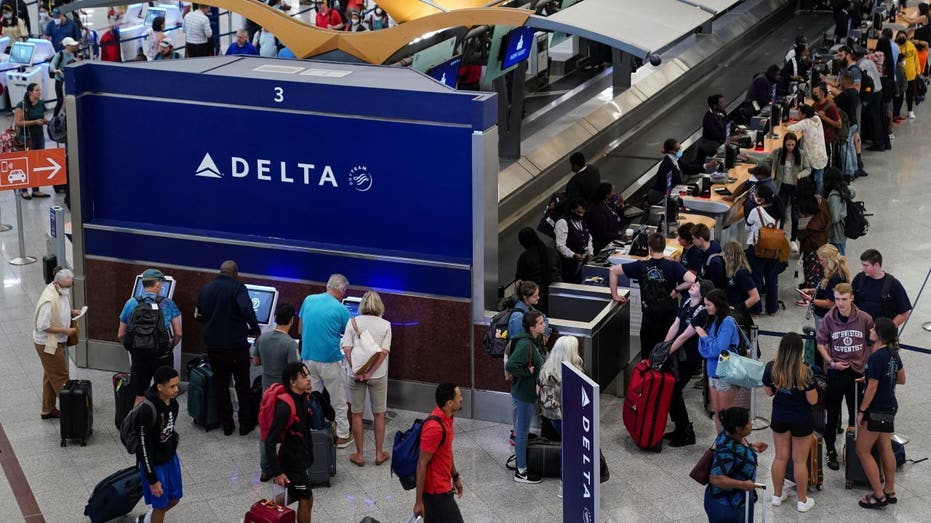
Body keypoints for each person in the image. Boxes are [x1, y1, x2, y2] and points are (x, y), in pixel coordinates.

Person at [195, 260, 261, 436]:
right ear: (235, 273)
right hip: (235, 345)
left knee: (221, 384)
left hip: (213, 345)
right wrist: (255, 329)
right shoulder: (238, 288)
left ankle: (227, 424)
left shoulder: (206, 288)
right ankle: (245, 424)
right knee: (242, 384)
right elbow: (246, 308)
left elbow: (199, 313)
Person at [609, 232, 697, 359]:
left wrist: (615, 295)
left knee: (647, 355)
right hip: (669, 319)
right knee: (667, 354)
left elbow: (613, 270)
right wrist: (677, 289)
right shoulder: (674, 266)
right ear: (664, 247)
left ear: (649, 249)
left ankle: (648, 377)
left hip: (649, 318)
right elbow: (694, 280)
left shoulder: (641, 266)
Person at [816, 282, 873, 471]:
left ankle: (853, 448)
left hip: (857, 373)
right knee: (832, 415)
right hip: (836, 372)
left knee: (856, 413)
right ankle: (830, 449)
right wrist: (831, 362)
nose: (840, 303)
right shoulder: (828, 319)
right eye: (837, 299)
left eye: (843, 299)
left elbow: (872, 340)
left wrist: (868, 363)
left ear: (851, 298)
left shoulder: (864, 318)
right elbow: (821, 343)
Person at [762, 333, 818, 513]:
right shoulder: (806, 372)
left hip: (780, 416)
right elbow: (813, 400)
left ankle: (777, 495)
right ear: (799, 351)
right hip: (801, 419)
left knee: (780, 457)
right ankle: (802, 501)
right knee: (799, 461)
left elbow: (769, 393)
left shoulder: (772, 367)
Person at [856, 318, 906, 510]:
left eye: (874, 329)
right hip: (890, 407)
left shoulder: (876, 357)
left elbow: (872, 388)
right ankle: (889, 490)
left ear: (880, 335)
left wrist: (862, 411)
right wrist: (872, 376)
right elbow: (901, 379)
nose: (870, 330)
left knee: (863, 450)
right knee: (885, 447)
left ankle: (878, 495)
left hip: (876, 410)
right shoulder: (893, 354)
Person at [298, 273, 353, 448]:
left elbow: (300, 329)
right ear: (342, 290)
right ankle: (343, 435)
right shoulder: (341, 309)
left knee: (309, 397)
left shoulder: (308, 300)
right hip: (330, 360)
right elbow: (350, 336)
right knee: (338, 399)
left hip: (308, 357)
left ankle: (308, 428)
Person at [117, 268, 182, 406]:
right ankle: (162, 424)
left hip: (139, 355)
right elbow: (178, 333)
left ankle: (138, 424)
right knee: (165, 395)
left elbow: (121, 334)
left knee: (139, 394)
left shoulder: (131, 303)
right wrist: (170, 347)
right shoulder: (167, 303)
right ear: (158, 284)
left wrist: (132, 348)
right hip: (162, 356)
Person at [341, 290, 391, 467]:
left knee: (356, 413)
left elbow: (347, 349)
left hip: (354, 375)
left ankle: (360, 455)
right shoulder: (385, 325)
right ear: (380, 306)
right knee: (379, 414)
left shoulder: (352, 322)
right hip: (378, 375)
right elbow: (383, 352)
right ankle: (379, 454)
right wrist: (369, 373)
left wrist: (357, 370)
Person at [662, 279, 713, 447]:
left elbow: (685, 336)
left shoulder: (702, 312)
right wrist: (664, 347)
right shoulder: (685, 302)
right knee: (671, 390)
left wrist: (667, 353)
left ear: (703, 292)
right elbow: (675, 327)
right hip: (676, 352)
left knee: (675, 390)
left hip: (690, 356)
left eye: (696, 286)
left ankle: (686, 432)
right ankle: (680, 427)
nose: (692, 285)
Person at [252, 303, 299, 481]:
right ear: (292, 321)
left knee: (266, 430)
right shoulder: (290, 344)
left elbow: (256, 362)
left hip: (266, 392)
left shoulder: (262, 339)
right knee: (285, 430)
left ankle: (266, 468)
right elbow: (294, 371)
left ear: (275, 318)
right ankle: (283, 465)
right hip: (284, 395)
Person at [264, 362, 315, 523]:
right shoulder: (285, 407)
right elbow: (270, 442)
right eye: (304, 376)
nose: (309, 379)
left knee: (286, 498)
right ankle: (261, 516)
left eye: (308, 374)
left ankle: (260, 517)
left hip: (298, 459)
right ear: (292, 382)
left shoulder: (303, 398)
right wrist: (278, 472)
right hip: (293, 463)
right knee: (306, 498)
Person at [134, 366, 182, 523]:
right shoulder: (146, 411)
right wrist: (153, 480)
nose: (177, 390)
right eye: (172, 386)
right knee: (160, 506)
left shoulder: (173, 404)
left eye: (177, 385)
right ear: (159, 387)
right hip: (155, 465)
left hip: (170, 458)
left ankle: (148, 519)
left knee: (175, 499)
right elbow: (143, 448)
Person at [749, 132, 811, 249]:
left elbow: (808, 169)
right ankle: (780, 235)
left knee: (795, 214)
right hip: (782, 187)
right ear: (784, 144)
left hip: (796, 187)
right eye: (788, 145)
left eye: (793, 145)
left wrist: (801, 174)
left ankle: (793, 239)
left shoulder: (801, 155)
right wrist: (750, 159)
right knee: (781, 212)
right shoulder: (778, 154)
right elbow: (764, 161)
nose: (790, 148)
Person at [704, 407, 767, 523]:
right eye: (748, 422)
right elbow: (715, 478)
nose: (751, 424)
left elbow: (737, 453)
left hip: (741, 499)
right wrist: (743, 484)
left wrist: (751, 448)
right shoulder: (726, 450)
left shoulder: (732, 434)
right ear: (738, 428)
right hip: (726, 505)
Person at [537, 335, 582, 497]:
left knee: (567, 448)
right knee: (569, 449)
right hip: (564, 417)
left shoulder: (548, 369)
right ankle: (566, 484)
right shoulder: (568, 375)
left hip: (551, 416)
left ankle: (566, 483)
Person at [413, 383, 464, 522]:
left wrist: (456, 476)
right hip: (436, 494)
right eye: (459, 397)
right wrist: (418, 501)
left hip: (442, 488)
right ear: (449, 403)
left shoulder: (447, 419)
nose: (462, 399)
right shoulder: (434, 428)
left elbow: (446, 452)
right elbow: (421, 463)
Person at [505, 310, 546, 484]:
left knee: (523, 431)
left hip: (528, 392)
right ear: (532, 327)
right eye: (541, 323)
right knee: (521, 433)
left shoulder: (534, 341)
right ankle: (521, 471)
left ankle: (522, 464)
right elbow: (511, 365)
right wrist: (525, 372)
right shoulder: (525, 345)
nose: (544, 325)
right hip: (523, 394)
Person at [32, 268, 78, 420]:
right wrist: (65, 331)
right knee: (60, 376)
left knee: (50, 373)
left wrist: (71, 312)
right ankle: (72, 412)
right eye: (66, 286)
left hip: (53, 340)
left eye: (70, 285)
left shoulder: (61, 291)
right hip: (48, 342)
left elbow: (61, 308)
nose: (68, 289)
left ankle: (48, 409)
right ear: (57, 283)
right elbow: (42, 325)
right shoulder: (49, 299)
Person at [696, 289, 740, 432]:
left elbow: (717, 349)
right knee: (717, 413)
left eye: (708, 305)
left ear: (717, 304)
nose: (706, 308)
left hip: (725, 372)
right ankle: (721, 444)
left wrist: (704, 337)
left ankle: (727, 445)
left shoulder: (727, 322)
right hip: (712, 371)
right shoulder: (714, 320)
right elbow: (704, 350)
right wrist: (708, 343)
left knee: (726, 414)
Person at [744, 184, 781, 316]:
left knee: (756, 278)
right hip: (774, 248)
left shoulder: (756, 211)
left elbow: (747, 227)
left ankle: (755, 310)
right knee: (772, 279)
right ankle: (772, 309)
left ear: (762, 199)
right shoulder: (778, 209)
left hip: (757, 249)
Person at [852, 249, 913, 327]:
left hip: (881, 336)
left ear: (876, 265)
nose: (862, 268)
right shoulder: (859, 279)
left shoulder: (893, 285)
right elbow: (850, 301)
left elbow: (904, 313)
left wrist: (887, 329)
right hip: (860, 330)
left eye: (866, 265)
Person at [13, 83, 50, 200]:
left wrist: (46, 122)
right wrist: (34, 122)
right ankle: (24, 190)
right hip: (26, 139)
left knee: (37, 163)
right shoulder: (22, 105)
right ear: (30, 92)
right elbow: (18, 122)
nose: (40, 92)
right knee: (26, 163)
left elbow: (41, 117)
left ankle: (36, 190)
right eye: (37, 90)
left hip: (39, 137)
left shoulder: (41, 103)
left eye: (40, 90)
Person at [794, 177, 830, 295]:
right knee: (821, 267)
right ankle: (821, 289)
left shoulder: (803, 206)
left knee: (810, 268)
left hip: (809, 243)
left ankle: (810, 292)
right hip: (823, 239)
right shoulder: (822, 201)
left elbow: (802, 227)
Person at [801, 244, 849, 331]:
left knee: (823, 341)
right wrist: (811, 291)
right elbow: (826, 290)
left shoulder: (835, 278)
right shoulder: (831, 272)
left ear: (828, 260)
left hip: (826, 317)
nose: (820, 263)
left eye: (822, 260)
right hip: (824, 315)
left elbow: (830, 303)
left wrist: (811, 299)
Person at [514, 227, 561, 314]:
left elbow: (519, 280)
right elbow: (559, 269)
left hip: (536, 298)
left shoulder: (524, 257)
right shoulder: (551, 251)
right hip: (557, 292)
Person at [722, 241, 760, 333]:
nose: (722, 257)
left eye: (724, 255)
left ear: (730, 256)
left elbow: (755, 297)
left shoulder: (741, 273)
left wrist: (738, 308)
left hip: (739, 315)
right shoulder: (730, 271)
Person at [554, 198, 592, 284]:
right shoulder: (562, 223)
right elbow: (560, 245)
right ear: (572, 210)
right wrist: (573, 254)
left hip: (580, 263)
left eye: (583, 213)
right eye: (579, 212)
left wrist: (590, 252)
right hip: (567, 265)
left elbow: (588, 237)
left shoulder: (581, 221)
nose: (581, 215)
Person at [823, 167, 853, 255]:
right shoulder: (843, 190)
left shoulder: (833, 197)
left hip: (836, 233)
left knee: (839, 257)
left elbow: (834, 217)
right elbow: (853, 191)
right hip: (842, 229)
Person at [695, 94, 729, 165]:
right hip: (711, 142)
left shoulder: (722, 112)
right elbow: (715, 134)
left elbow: (727, 124)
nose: (723, 104)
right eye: (721, 103)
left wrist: (736, 129)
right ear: (714, 105)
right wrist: (728, 138)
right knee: (726, 150)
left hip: (721, 140)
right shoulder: (708, 118)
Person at [586, 182, 621, 252]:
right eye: (612, 192)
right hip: (601, 245)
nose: (614, 194)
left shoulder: (605, 204)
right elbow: (602, 234)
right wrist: (619, 236)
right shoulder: (598, 210)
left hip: (610, 240)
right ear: (607, 195)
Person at [648, 138, 683, 205]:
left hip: (668, 193)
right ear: (672, 151)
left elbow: (688, 168)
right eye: (678, 149)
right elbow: (667, 185)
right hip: (659, 196)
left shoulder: (675, 160)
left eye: (680, 148)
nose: (680, 150)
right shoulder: (666, 165)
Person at [49, 36, 79, 117]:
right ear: (67, 46)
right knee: (60, 100)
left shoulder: (73, 54)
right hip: (60, 81)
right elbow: (52, 64)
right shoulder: (60, 54)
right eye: (72, 45)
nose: (74, 47)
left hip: (68, 80)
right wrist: (55, 70)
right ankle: (54, 118)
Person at [897, 30, 920, 119]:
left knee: (910, 95)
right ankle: (897, 113)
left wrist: (918, 72)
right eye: (900, 37)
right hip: (900, 77)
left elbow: (916, 59)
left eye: (904, 37)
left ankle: (910, 111)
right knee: (899, 96)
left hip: (911, 75)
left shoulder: (911, 46)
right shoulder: (895, 47)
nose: (902, 38)